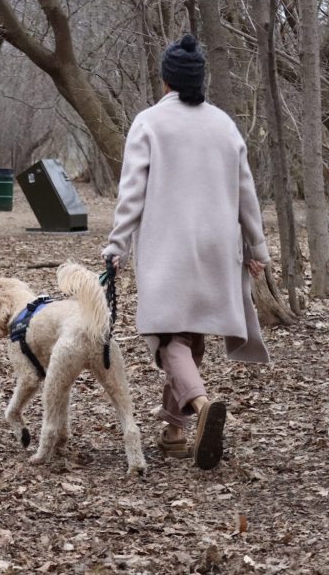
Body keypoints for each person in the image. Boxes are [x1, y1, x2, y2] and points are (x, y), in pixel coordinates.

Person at [101, 34, 270, 470]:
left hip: (169, 245)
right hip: (217, 244)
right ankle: (175, 433)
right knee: (190, 334)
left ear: (165, 81)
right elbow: (245, 190)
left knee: (165, 337)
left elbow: (132, 191)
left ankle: (200, 406)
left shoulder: (150, 123)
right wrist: (255, 245)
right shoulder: (224, 124)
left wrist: (117, 244)